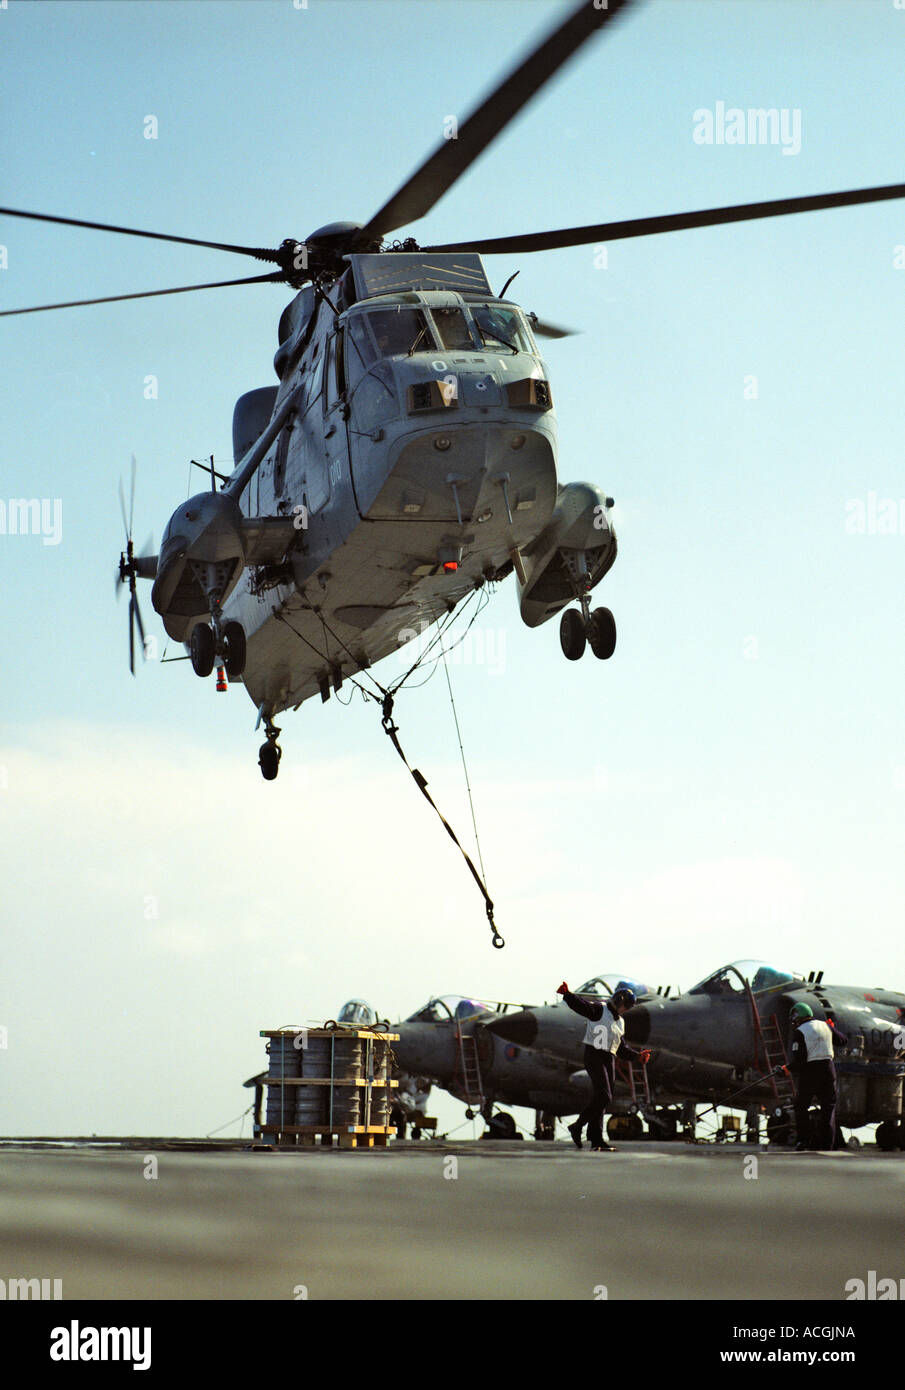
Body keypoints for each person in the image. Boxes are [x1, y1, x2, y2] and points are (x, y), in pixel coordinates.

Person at [556, 981, 651, 1152]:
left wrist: (638, 1056)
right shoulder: (600, 1009)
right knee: (604, 1096)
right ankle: (577, 1126)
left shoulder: (621, 1022)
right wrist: (567, 994)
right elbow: (582, 1006)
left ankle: (596, 1140)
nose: (621, 1005)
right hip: (594, 1055)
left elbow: (621, 1048)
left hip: (609, 1058)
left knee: (601, 1099)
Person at [787, 1002, 848, 1151]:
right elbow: (843, 1041)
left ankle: (803, 1141)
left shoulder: (799, 1032)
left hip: (810, 1072)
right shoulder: (825, 1026)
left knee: (801, 1106)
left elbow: (799, 1060)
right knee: (828, 1109)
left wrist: (786, 1069)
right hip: (828, 1070)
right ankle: (827, 1145)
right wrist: (832, 1028)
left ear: (798, 1017)